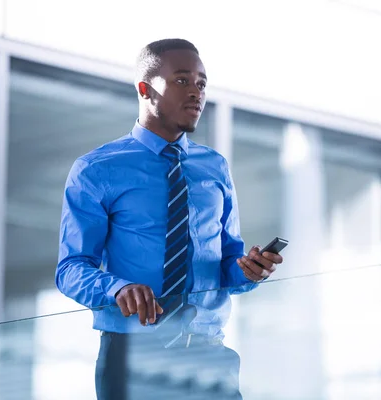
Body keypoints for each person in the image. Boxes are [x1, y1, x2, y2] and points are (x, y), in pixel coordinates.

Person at [55, 38, 284, 400]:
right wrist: (117, 288)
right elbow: (70, 269)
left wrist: (249, 270)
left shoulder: (214, 167)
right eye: (182, 81)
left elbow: (225, 266)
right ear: (145, 89)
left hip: (210, 355)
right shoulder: (96, 169)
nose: (196, 92)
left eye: (202, 83)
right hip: (134, 358)